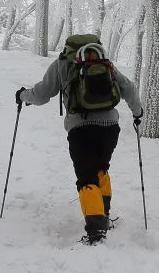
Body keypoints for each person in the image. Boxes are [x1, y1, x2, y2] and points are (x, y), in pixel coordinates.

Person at [16, 40, 143, 245]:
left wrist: (23, 96)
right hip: (110, 127)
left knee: (86, 178)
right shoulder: (104, 63)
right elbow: (128, 87)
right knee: (101, 169)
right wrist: (138, 112)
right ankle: (103, 216)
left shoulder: (63, 63)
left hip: (81, 129)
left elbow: (41, 94)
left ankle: (96, 232)